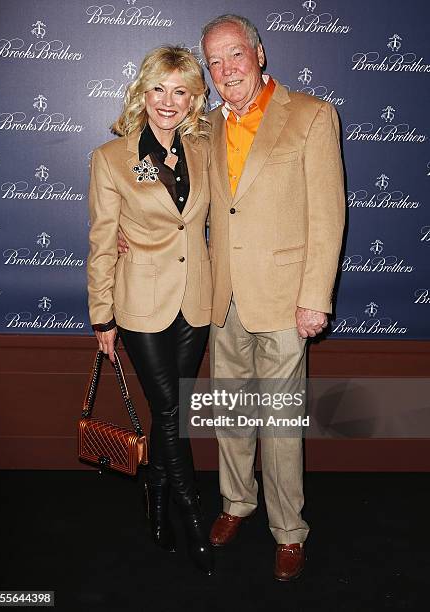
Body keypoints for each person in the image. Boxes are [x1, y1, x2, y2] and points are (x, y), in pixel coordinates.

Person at [201, 15, 345, 581]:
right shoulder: (207, 125)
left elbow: (328, 217)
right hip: (225, 298)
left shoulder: (310, 115)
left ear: (259, 53)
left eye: (234, 54)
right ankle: (236, 502)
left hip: (287, 300)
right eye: (214, 61)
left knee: (280, 423)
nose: (225, 69)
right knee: (231, 413)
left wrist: (316, 297)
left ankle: (289, 530)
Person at [87, 46, 214, 575]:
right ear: (143, 93)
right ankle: (191, 518)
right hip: (139, 302)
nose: (168, 101)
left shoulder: (206, 149)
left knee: (173, 414)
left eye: (180, 90)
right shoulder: (112, 158)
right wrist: (102, 317)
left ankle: (155, 498)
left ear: (193, 99)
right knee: (169, 412)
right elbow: (100, 242)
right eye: (159, 89)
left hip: (197, 299)